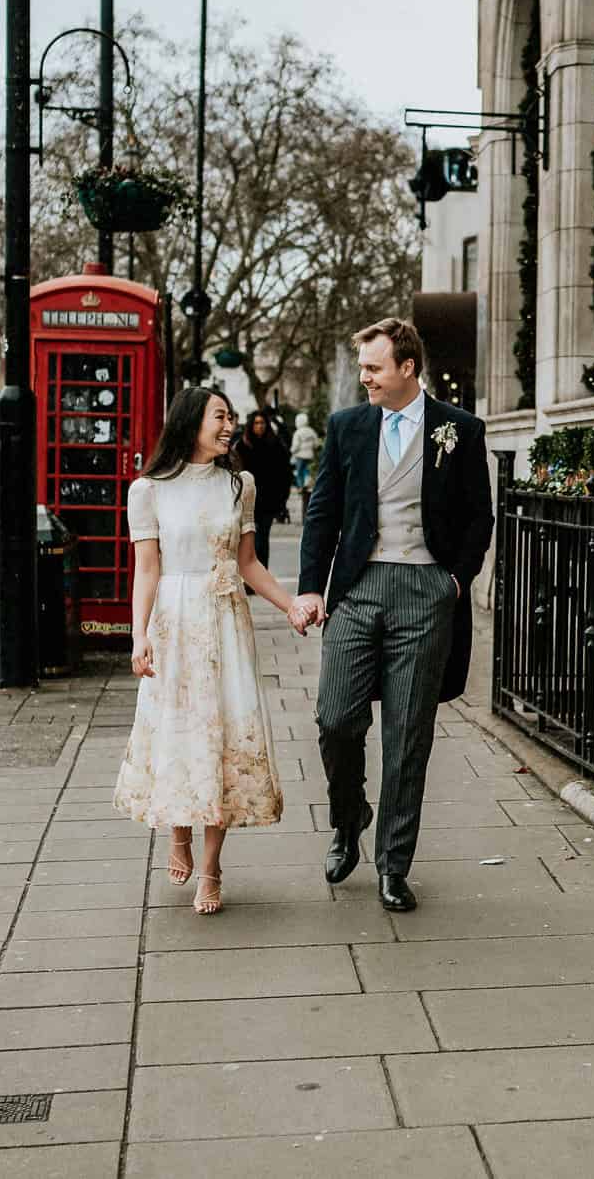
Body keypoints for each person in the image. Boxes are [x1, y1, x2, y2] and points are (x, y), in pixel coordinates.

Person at [289, 318, 492, 912]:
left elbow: (479, 516)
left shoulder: (460, 429)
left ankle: (393, 865)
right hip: (357, 588)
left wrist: (454, 581)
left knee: (407, 735)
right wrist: (310, 589)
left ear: (408, 367)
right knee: (336, 718)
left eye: (373, 368)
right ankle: (348, 814)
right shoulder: (347, 427)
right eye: (362, 368)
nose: (365, 378)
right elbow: (322, 513)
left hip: (425, 592)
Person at [116, 387, 291, 915]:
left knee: (225, 739)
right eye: (220, 415)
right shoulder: (148, 491)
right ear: (191, 422)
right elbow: (147, 569)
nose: (230, 424)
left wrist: (290, 607)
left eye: (231, 417)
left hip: (226, 621)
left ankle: (211, 868)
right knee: (179, 730)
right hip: (175, 619)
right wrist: (138, 633)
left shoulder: (240, 486)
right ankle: (177, 834)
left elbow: (249, 564)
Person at [232, 411, 289, 573]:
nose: (259, 426)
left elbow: (284, 474)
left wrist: (281, 501)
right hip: (246, 500)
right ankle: (249, 576)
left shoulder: (276, 445)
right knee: (247, 539)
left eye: (262, 423)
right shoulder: (242, 446)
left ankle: (261, 573)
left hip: (268, 501)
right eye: (256, 423)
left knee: (262, 539)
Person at [288, 410, 320, 518]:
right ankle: (307, 484)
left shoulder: (298, 432)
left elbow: (295, 445)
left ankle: (301, 486)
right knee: (307, 471)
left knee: (299, 472)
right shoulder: (311, 431)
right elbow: (316, 443)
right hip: (310, 455)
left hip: (300, 455)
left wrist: (292, 451)